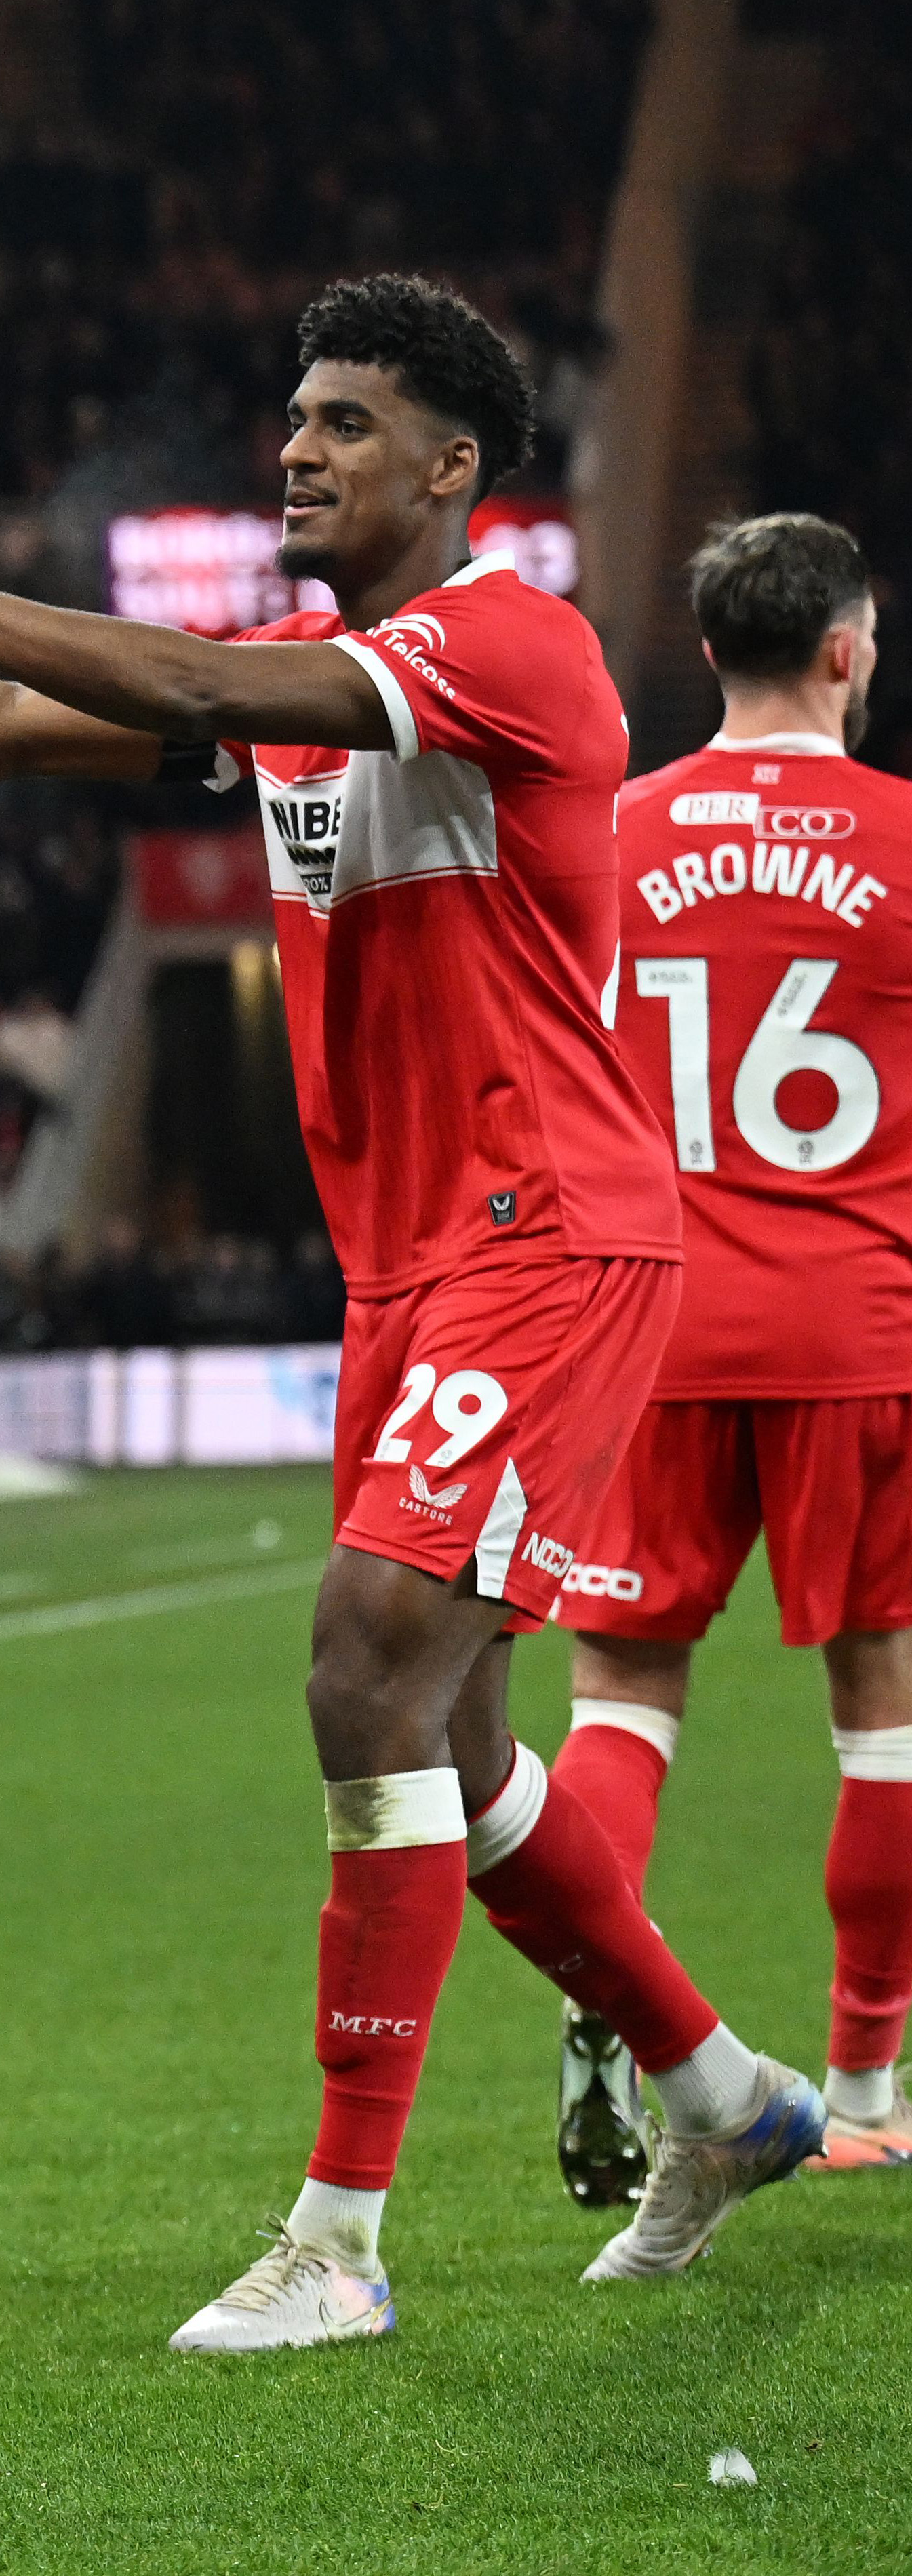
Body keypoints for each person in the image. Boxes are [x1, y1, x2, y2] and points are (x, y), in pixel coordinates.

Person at [0, 287, 816, 2346]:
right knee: (469, 1756)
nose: (299, 447)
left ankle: (336, 2240)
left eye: (349, 421)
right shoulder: (313, 693)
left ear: (452, 473)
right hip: (414, 1269)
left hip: (547, 1236)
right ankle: (720, 2090)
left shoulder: (507, 645)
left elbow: (169, 665)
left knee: (360, 1673)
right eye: (293, 415)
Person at [542, 513, 912, 2185]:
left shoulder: (606, 839)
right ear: (844, 649)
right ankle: (861, 2100)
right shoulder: (903, 843)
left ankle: (607, 2009)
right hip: (855, 1323)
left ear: (706, 654)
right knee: (880, 1719)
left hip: (648, 1325)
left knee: (620, 1700)